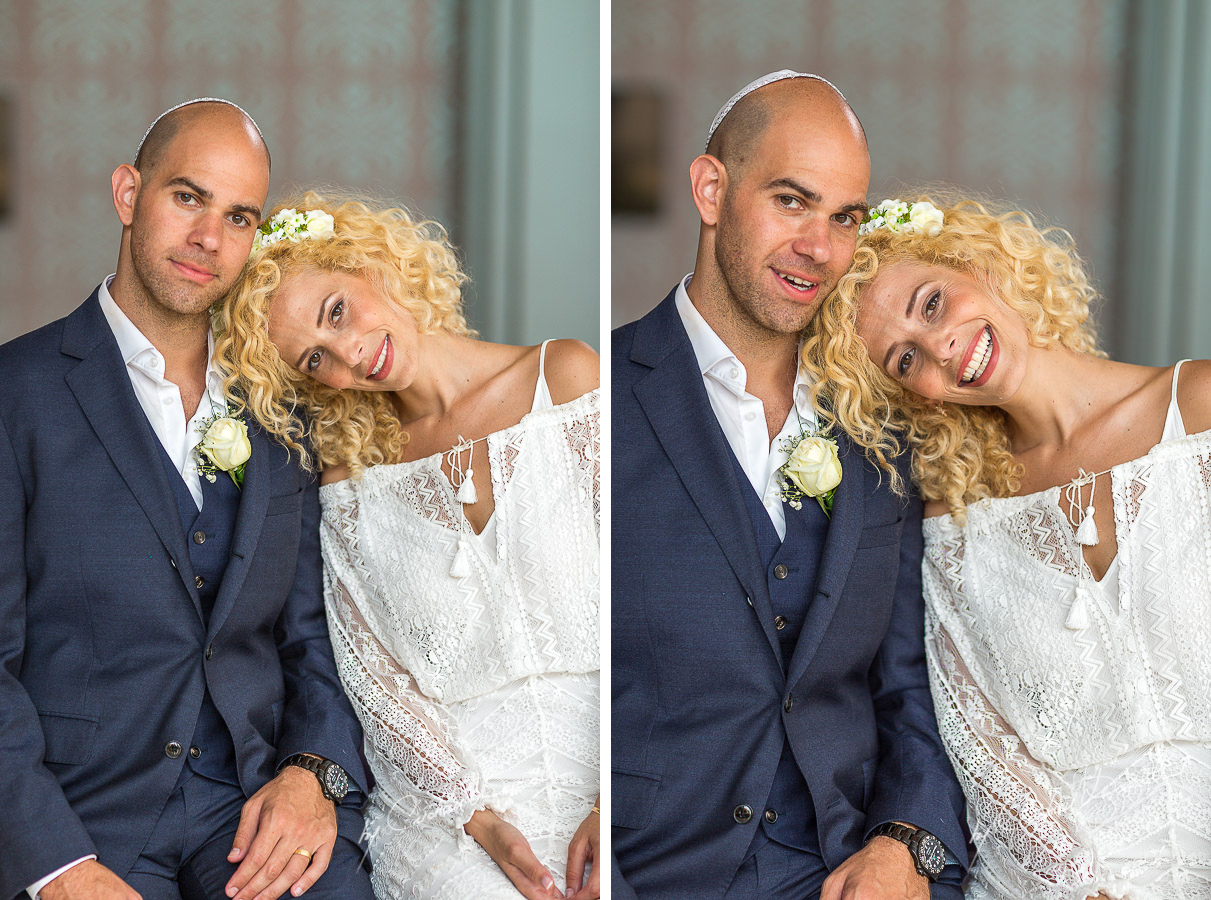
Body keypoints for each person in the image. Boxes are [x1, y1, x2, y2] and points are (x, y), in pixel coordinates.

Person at [0, 100, 376, 900]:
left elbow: (318, 637)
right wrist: (54, 866)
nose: (210, 237)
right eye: (187, 197)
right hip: (84, 821)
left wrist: (315, 773)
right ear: (128, 193)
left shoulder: (283, 405)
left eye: (239, 216)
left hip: (250, 809)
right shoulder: (15, 395)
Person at [611, 71, 969, 900]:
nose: (821, 247)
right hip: (659, 870)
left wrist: (905, 843)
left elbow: (914, 682)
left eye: (844, 217)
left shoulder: (887, 417)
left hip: (852, 869)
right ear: (710, 191)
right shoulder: (606, 404)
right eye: (791, 201)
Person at [806, 193, 1211, 898]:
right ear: (914, 395)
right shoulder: (955, 525)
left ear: (978, 264)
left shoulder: (1198, 412)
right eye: (905, 359)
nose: (939, 348)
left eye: (932, 303)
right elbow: (984, 750)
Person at [212, 192, 601, 900]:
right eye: (315, 359)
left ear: (373, 267)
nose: (348, 354)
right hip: (449, 820)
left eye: (336, 311)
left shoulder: (567, 382)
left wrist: (614, 801)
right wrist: (477, 822)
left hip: (612, 769)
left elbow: (650, 605)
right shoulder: (350, 484)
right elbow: (377, 683)